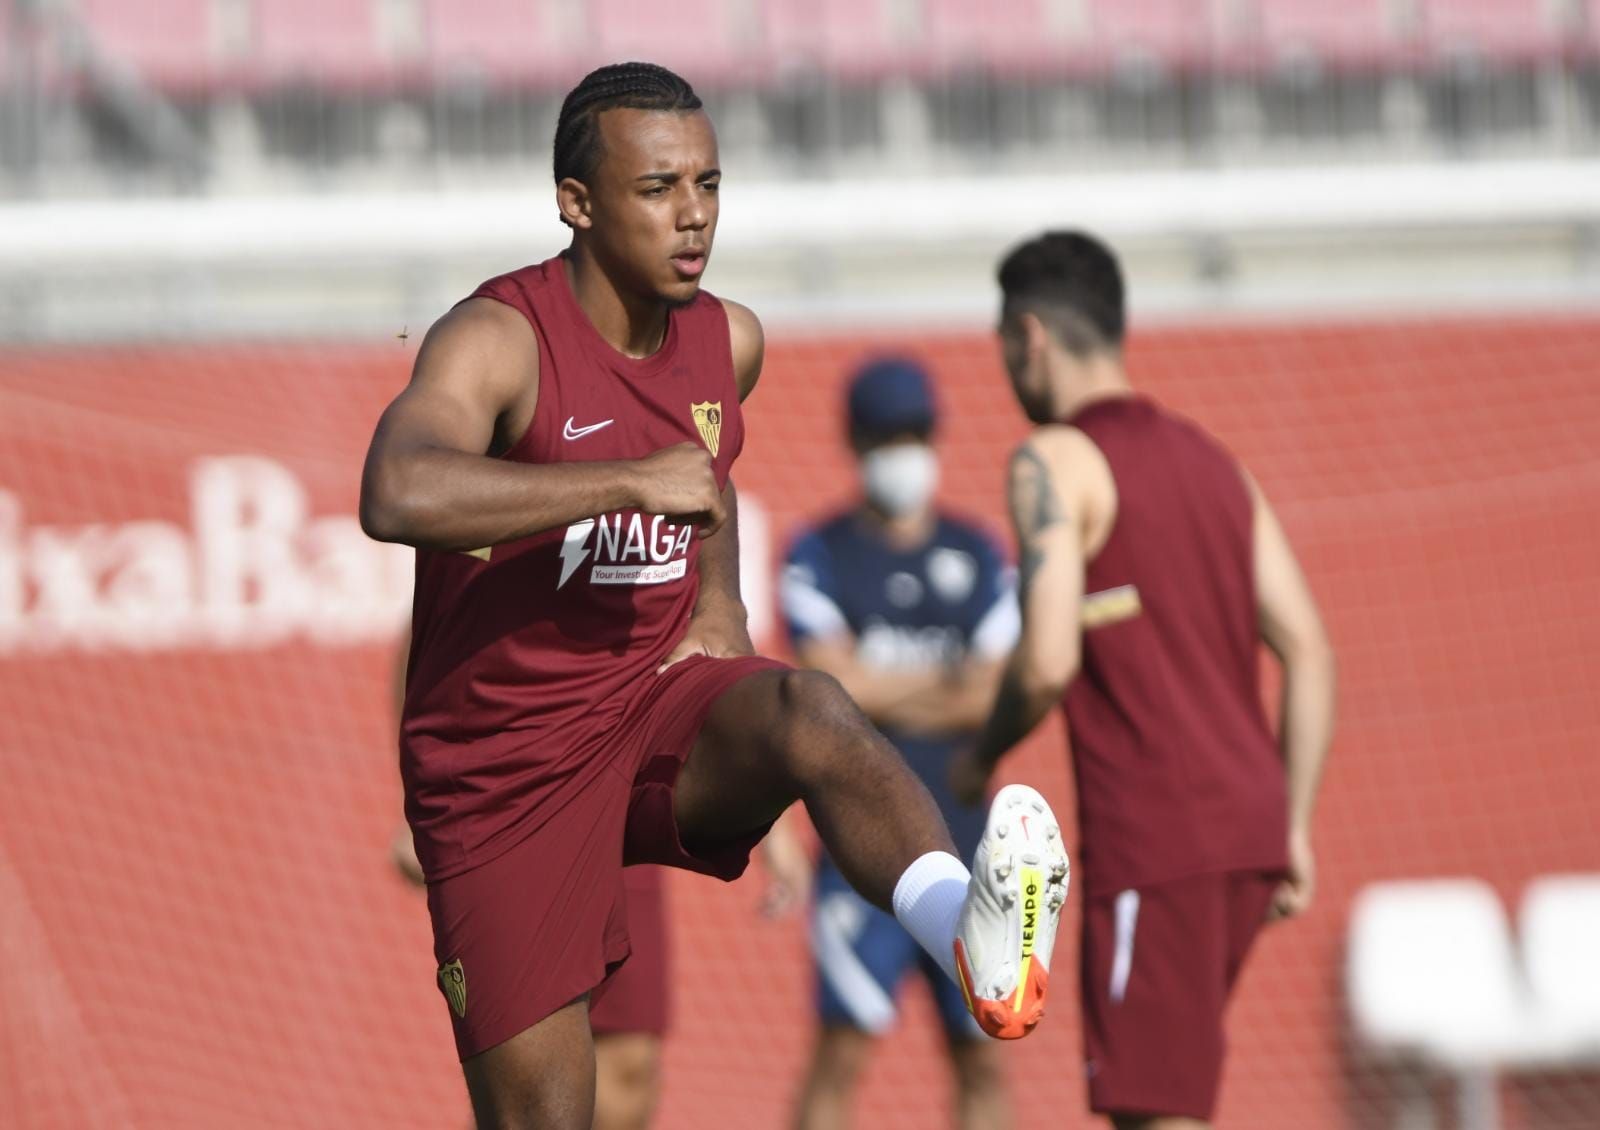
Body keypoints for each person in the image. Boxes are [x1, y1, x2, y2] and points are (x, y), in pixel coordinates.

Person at [358, 62, 1069, 1130]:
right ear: (576, 201)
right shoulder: (498, 338)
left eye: (709, 184)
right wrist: (622, 481)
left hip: (643, 716)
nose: (693, 216)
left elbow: (708, 471)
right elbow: (395, 488)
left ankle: (971, 937)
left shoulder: (727, 337)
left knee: (810, 710)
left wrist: (719, 609)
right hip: (502, 776)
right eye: (657, 190)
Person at [950, 230, 1337, 1130]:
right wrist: (1295, 823)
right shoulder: (1217, 465)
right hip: (1248, 834)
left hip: (1160, 837)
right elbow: (1311, 649)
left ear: (1030, 337)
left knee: (1153, 1110)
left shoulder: (1053, 460)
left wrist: (978, 759)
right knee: (1166, 1096)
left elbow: (1047, 660)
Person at [765, 357, 1021, 1130]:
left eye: (913, 434)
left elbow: (993, 690)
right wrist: (945, 677)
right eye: (885, 436)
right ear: (854, 440)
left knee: (984, 1052)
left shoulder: (980, 555)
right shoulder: (817, 554)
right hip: (861, 852)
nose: (902, 451)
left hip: (977, 852)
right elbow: (827, 689)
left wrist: (876, 682)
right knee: (839, 1053)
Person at [388, 633, 670, 1130]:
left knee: (629, 1075)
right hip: (514, 809)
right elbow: (427, 626)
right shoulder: (495, 553)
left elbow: (702, 629)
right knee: (520, 1084)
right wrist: (419, 800)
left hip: (620, 805)